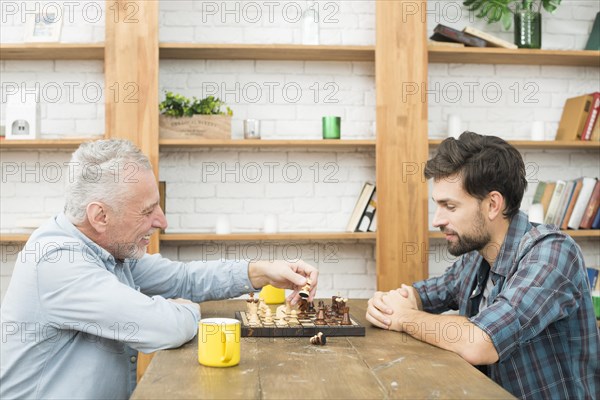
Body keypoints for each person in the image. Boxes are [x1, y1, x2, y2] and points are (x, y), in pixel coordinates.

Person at [0, 139, 319, 400]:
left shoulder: (108, 249)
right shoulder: (57, 262)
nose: (162, 222)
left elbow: (184, 278)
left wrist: (263, 271)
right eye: (148, 210)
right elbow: (165, 327)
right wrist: (185, 310)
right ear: (100, 217)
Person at [366, 132, 598, 399]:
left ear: (492, 205)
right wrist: (386, 305)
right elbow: (421, 295)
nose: (437, 220)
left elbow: (480, 343)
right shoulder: (477, 256)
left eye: (449, 206)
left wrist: (403, 317)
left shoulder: (552, 253)